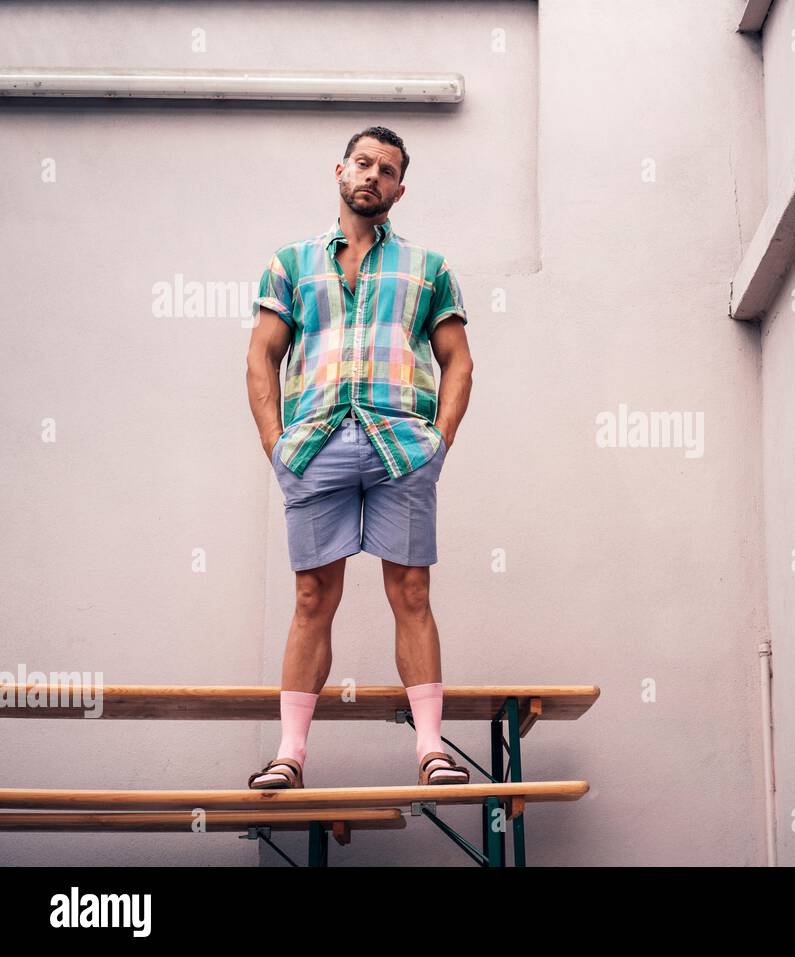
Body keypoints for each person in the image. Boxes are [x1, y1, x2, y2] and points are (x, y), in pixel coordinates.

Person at [244, 126, 474, 790]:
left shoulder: (428, 268)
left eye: (388, 169)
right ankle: (290, 755)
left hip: (402, 446)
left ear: (400, 189)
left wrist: (440, 442)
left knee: (411, 591)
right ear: (340, 170)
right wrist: (277, 444)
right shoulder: (289, 264)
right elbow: (262, 353)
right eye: (364, 163)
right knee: (313, 595)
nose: (373, 175)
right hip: (315, 445)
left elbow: (458, 360)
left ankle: (431, 748)